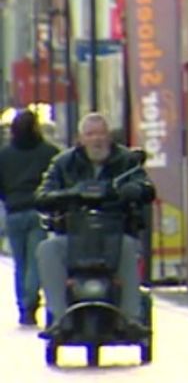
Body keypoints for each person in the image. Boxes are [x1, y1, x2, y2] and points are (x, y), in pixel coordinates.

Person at [35, 113, 155, 338]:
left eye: (101, 134)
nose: (96, 140)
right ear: (81, 139)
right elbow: (42, 195)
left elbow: (146, 187)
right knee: (47, 249)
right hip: (74, 236)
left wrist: (130, 191)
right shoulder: (63, 163)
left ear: (109, 136)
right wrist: (72, 193)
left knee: (129, 248)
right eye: (90, 134)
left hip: (116, 235)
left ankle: (130, 318)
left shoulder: (126, 161)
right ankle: (60, 319)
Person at [0, 110, 62, 326]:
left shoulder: (4, 155)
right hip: (39, 210)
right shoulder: (48, 153)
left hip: (14, 212)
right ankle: (30, 300)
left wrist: (8, 198)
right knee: (36, 260)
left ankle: (23, 305)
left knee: (20, 262)